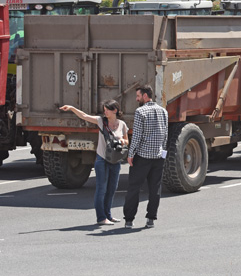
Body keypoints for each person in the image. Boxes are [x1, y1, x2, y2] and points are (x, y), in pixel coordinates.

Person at [59, 100, 128, 225]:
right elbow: (84, 116)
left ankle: (108, 215)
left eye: (107, 109)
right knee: (101, 189)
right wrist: (72, 108)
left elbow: (127, 140)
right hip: (102, 159)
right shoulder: (101, 121)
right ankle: (101, 218)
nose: (105, 111)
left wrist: (122, 141)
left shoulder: (122, 124)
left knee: (112, 188)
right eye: (104, 109)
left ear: (115, 111)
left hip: (115, 160)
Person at [123, 85, 169, 229]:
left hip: (142, 156)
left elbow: (136, 135)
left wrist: (130, 154)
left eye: (138, 96)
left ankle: (129, 220)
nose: (136, 99)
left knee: (134, 188)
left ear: (144, 96)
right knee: (155, 188)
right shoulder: (163, 111)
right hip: (158, 156)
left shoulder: (140, 112)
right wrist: (163, 153)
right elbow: (165, 136)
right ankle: (150, 219)